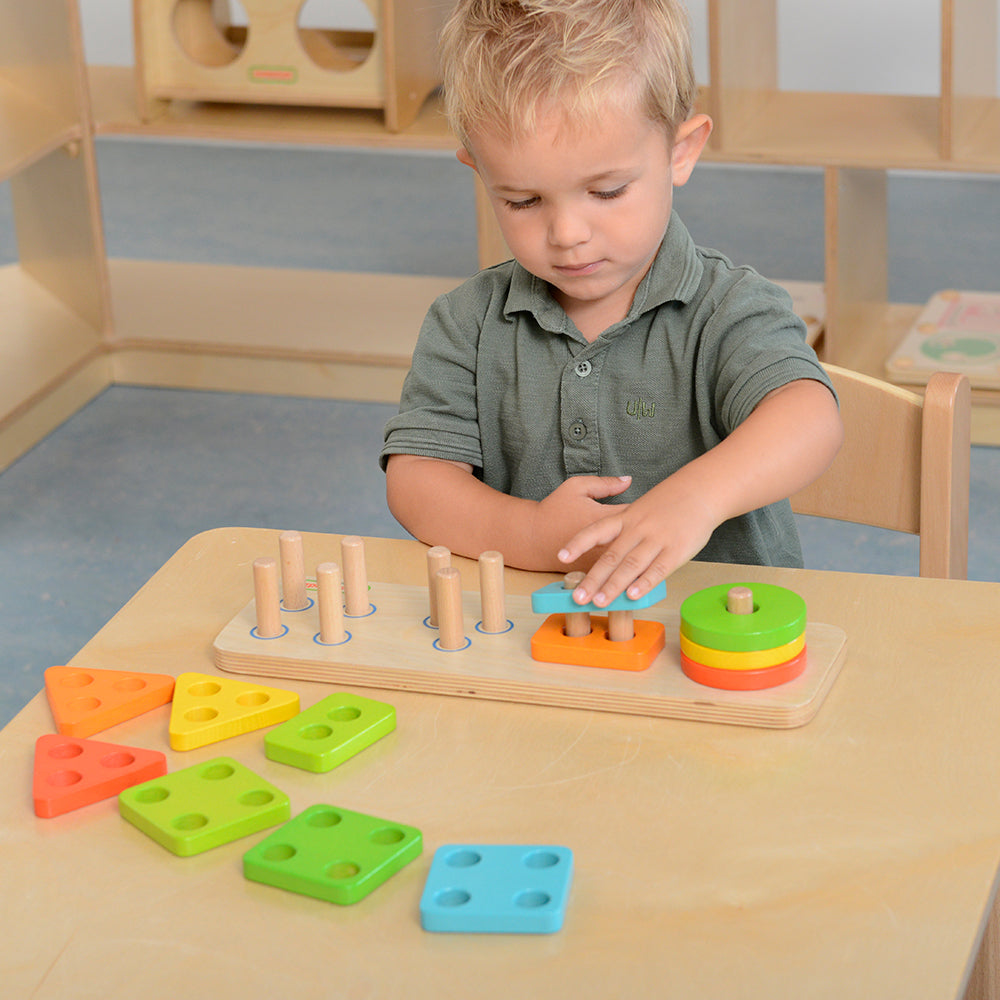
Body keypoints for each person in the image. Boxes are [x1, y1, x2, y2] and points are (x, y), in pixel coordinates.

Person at [381, 0, 842, 610]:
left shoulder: (730, 307)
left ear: (680, 152)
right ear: (480, 171)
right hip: (534, 637)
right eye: (522, 201)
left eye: (606, 191)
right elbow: (416, 480)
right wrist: (530, 534)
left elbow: (809, 418)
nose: (567, 233)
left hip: (716, 640)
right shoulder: (464, 322)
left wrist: (695, 500)